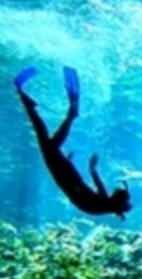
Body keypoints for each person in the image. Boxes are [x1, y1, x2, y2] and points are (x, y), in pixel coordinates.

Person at [14, 66, 132, 220]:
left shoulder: (103, 204)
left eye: (118, 192)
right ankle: (32, 103)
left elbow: (79, 188)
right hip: (61, 172)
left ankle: (60, 111)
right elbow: (89, 185)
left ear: (118, 200)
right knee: (43, 138)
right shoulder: (105, 204)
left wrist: (75, 166)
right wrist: (88, 168)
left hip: (62, 172)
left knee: (44, 138)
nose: (114, 190)